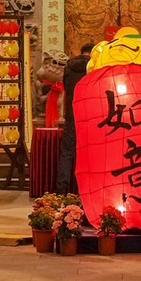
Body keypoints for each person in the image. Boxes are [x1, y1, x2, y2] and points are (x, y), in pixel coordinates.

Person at [55, 44, 93, 194]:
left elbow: (66, 88)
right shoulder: (94, 68)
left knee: (67, 152)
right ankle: (82, 188)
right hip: (89, 114)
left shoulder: (68, 67)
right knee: (86, 152)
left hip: (72, 113)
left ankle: (61, 189)